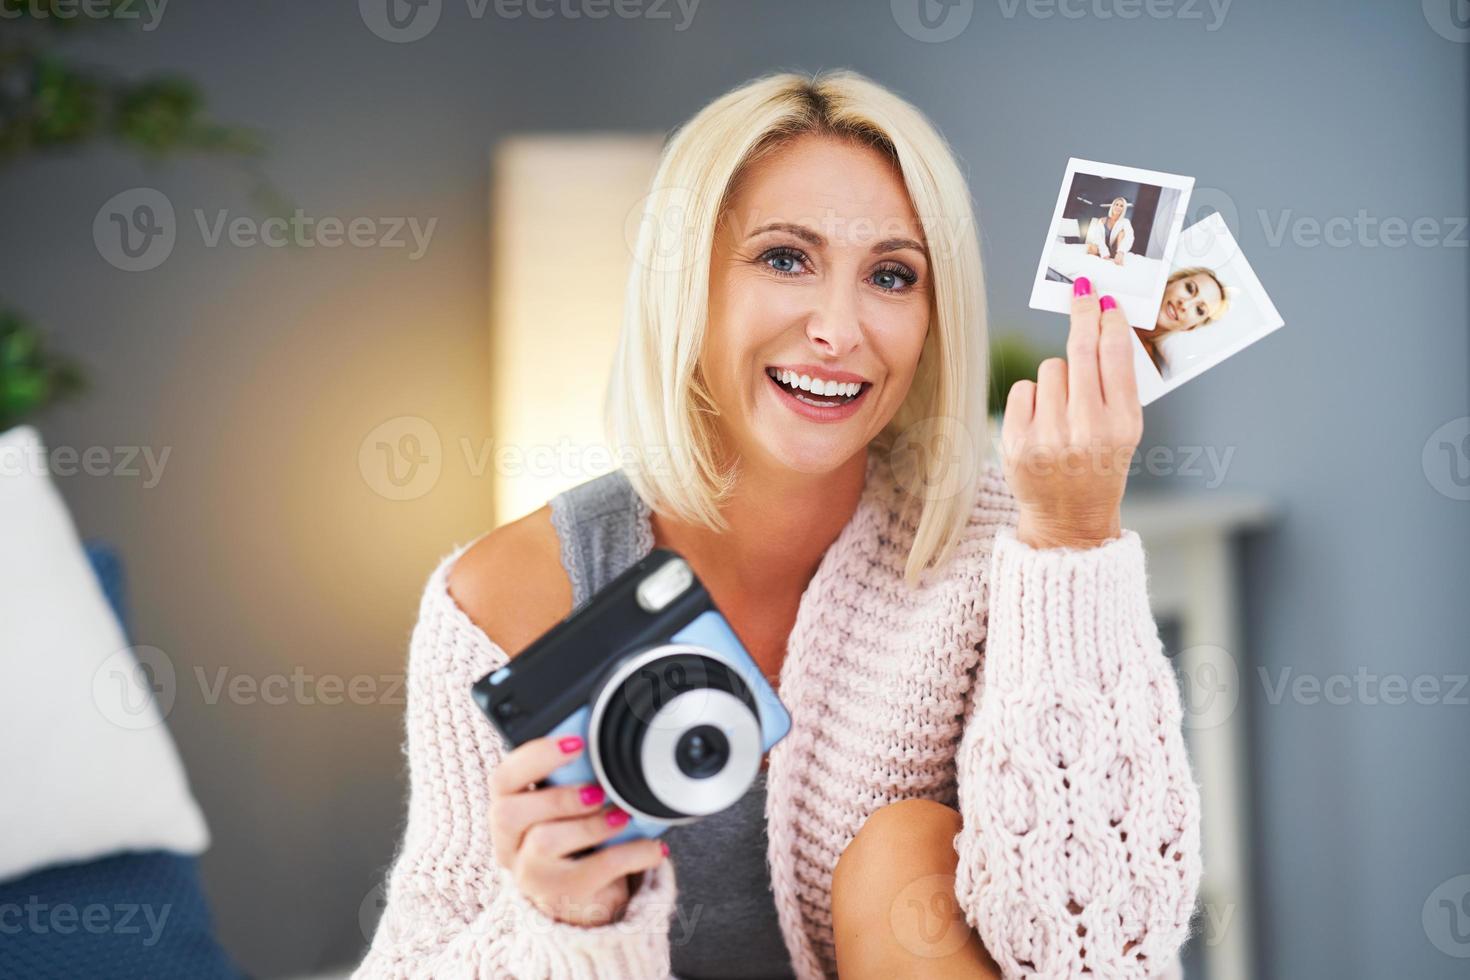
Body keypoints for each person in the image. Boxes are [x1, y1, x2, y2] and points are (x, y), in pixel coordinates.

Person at [354, 70, 1201, 980]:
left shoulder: (1008, 551)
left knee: (901, 853)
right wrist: (569, 924)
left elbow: (1102, 956)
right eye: (785, 258)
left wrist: (1073, 550)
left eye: (890, 275)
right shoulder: (499, 604)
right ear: (691, 283)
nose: (837, 328)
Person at [1136, 265, 1231, 376]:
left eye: (1199, 310)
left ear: (1190, 327)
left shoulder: (1150, 373)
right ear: (1171, 282)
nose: (1185, 305)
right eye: (1190, 289)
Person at [1085, 196, 1135, 266]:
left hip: (1116, 251)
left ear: (1123, 209)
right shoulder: (1102, 220)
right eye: (1116, 204)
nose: (1118, 207)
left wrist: (1121, 252)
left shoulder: (1125, 222)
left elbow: (1130, 237)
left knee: (1122, 233)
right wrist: (1104, 252)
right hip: (1103, 249)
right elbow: (1097, 237)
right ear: (1113, 206)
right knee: (1091, 247)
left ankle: (1119, 257)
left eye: (1121, 206)